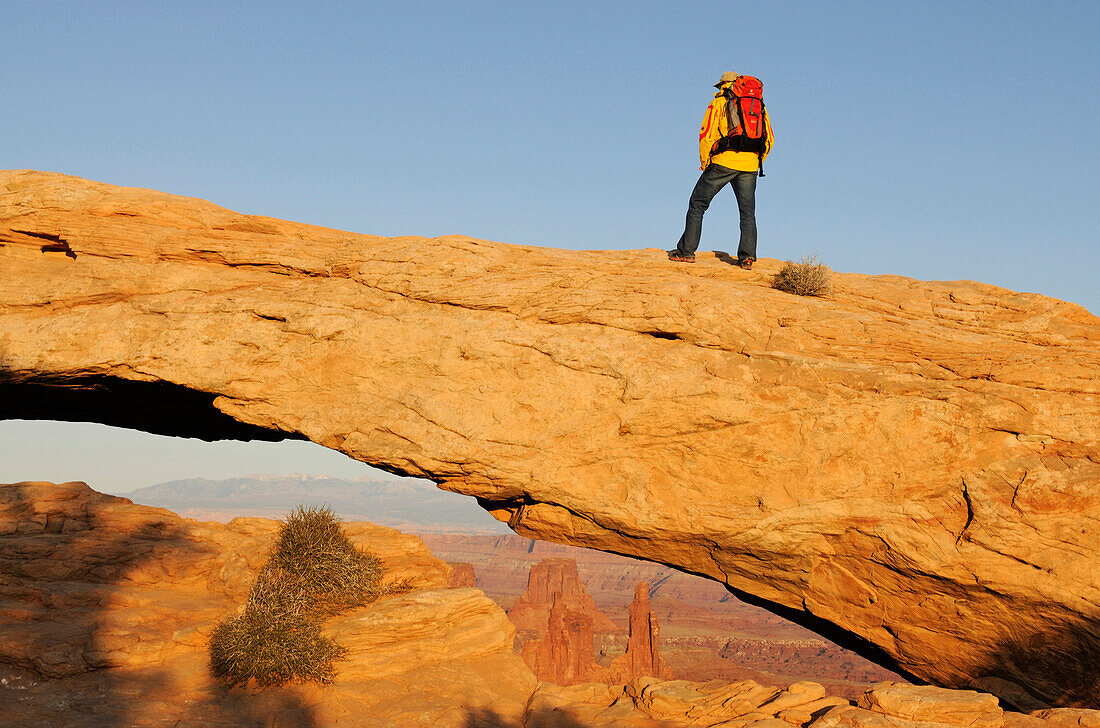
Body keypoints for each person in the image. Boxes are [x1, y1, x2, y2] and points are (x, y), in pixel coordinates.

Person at [669, 72, 773, 268]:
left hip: (723, 161)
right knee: (747, 212)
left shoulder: (718, 103)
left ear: (726, 84)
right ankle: (747, 257)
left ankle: (686, 252)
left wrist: (706, 161)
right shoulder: (759, 105)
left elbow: (706, 133)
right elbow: (769, 138)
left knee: (698, 204)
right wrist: (757, 159)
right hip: (750, 164)